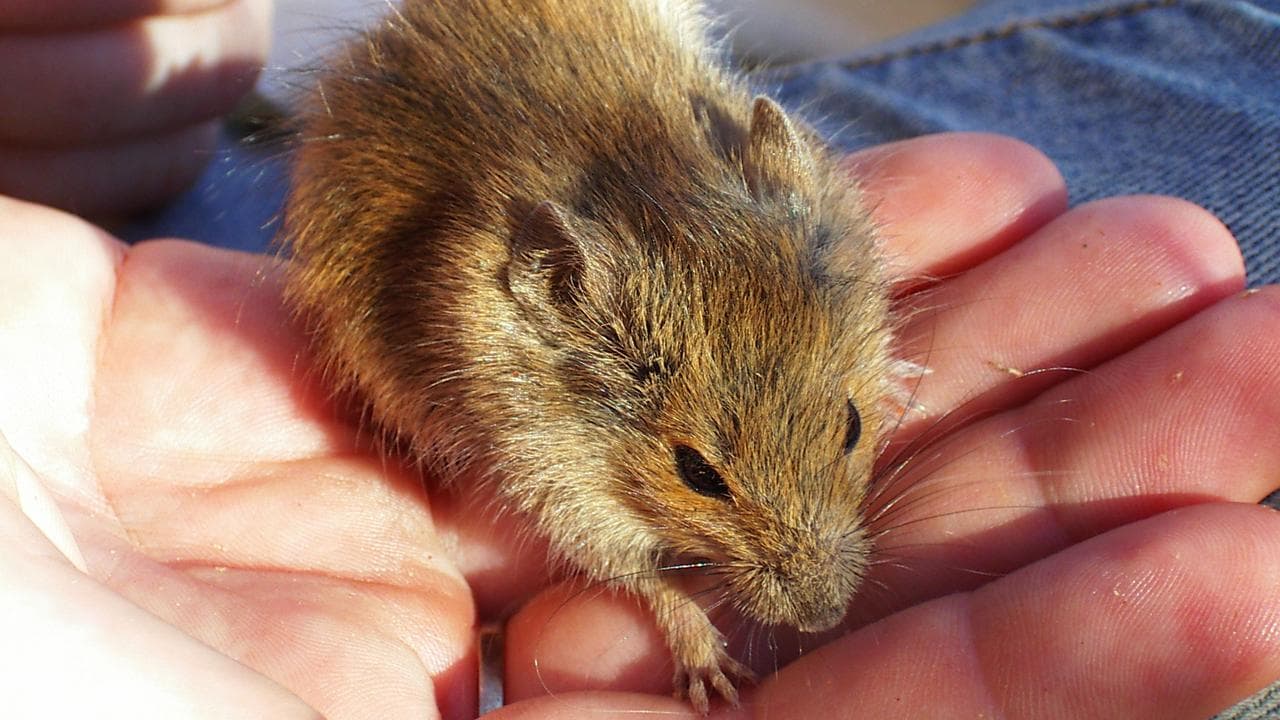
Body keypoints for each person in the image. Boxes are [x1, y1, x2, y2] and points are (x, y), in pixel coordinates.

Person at [2, 2, 1278, 718]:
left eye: (844, 432)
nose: (813, 564)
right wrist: (664, 591)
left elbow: (799, 186)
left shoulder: (804, 218)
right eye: (703, 476)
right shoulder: (543, 323)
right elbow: (555, 480)